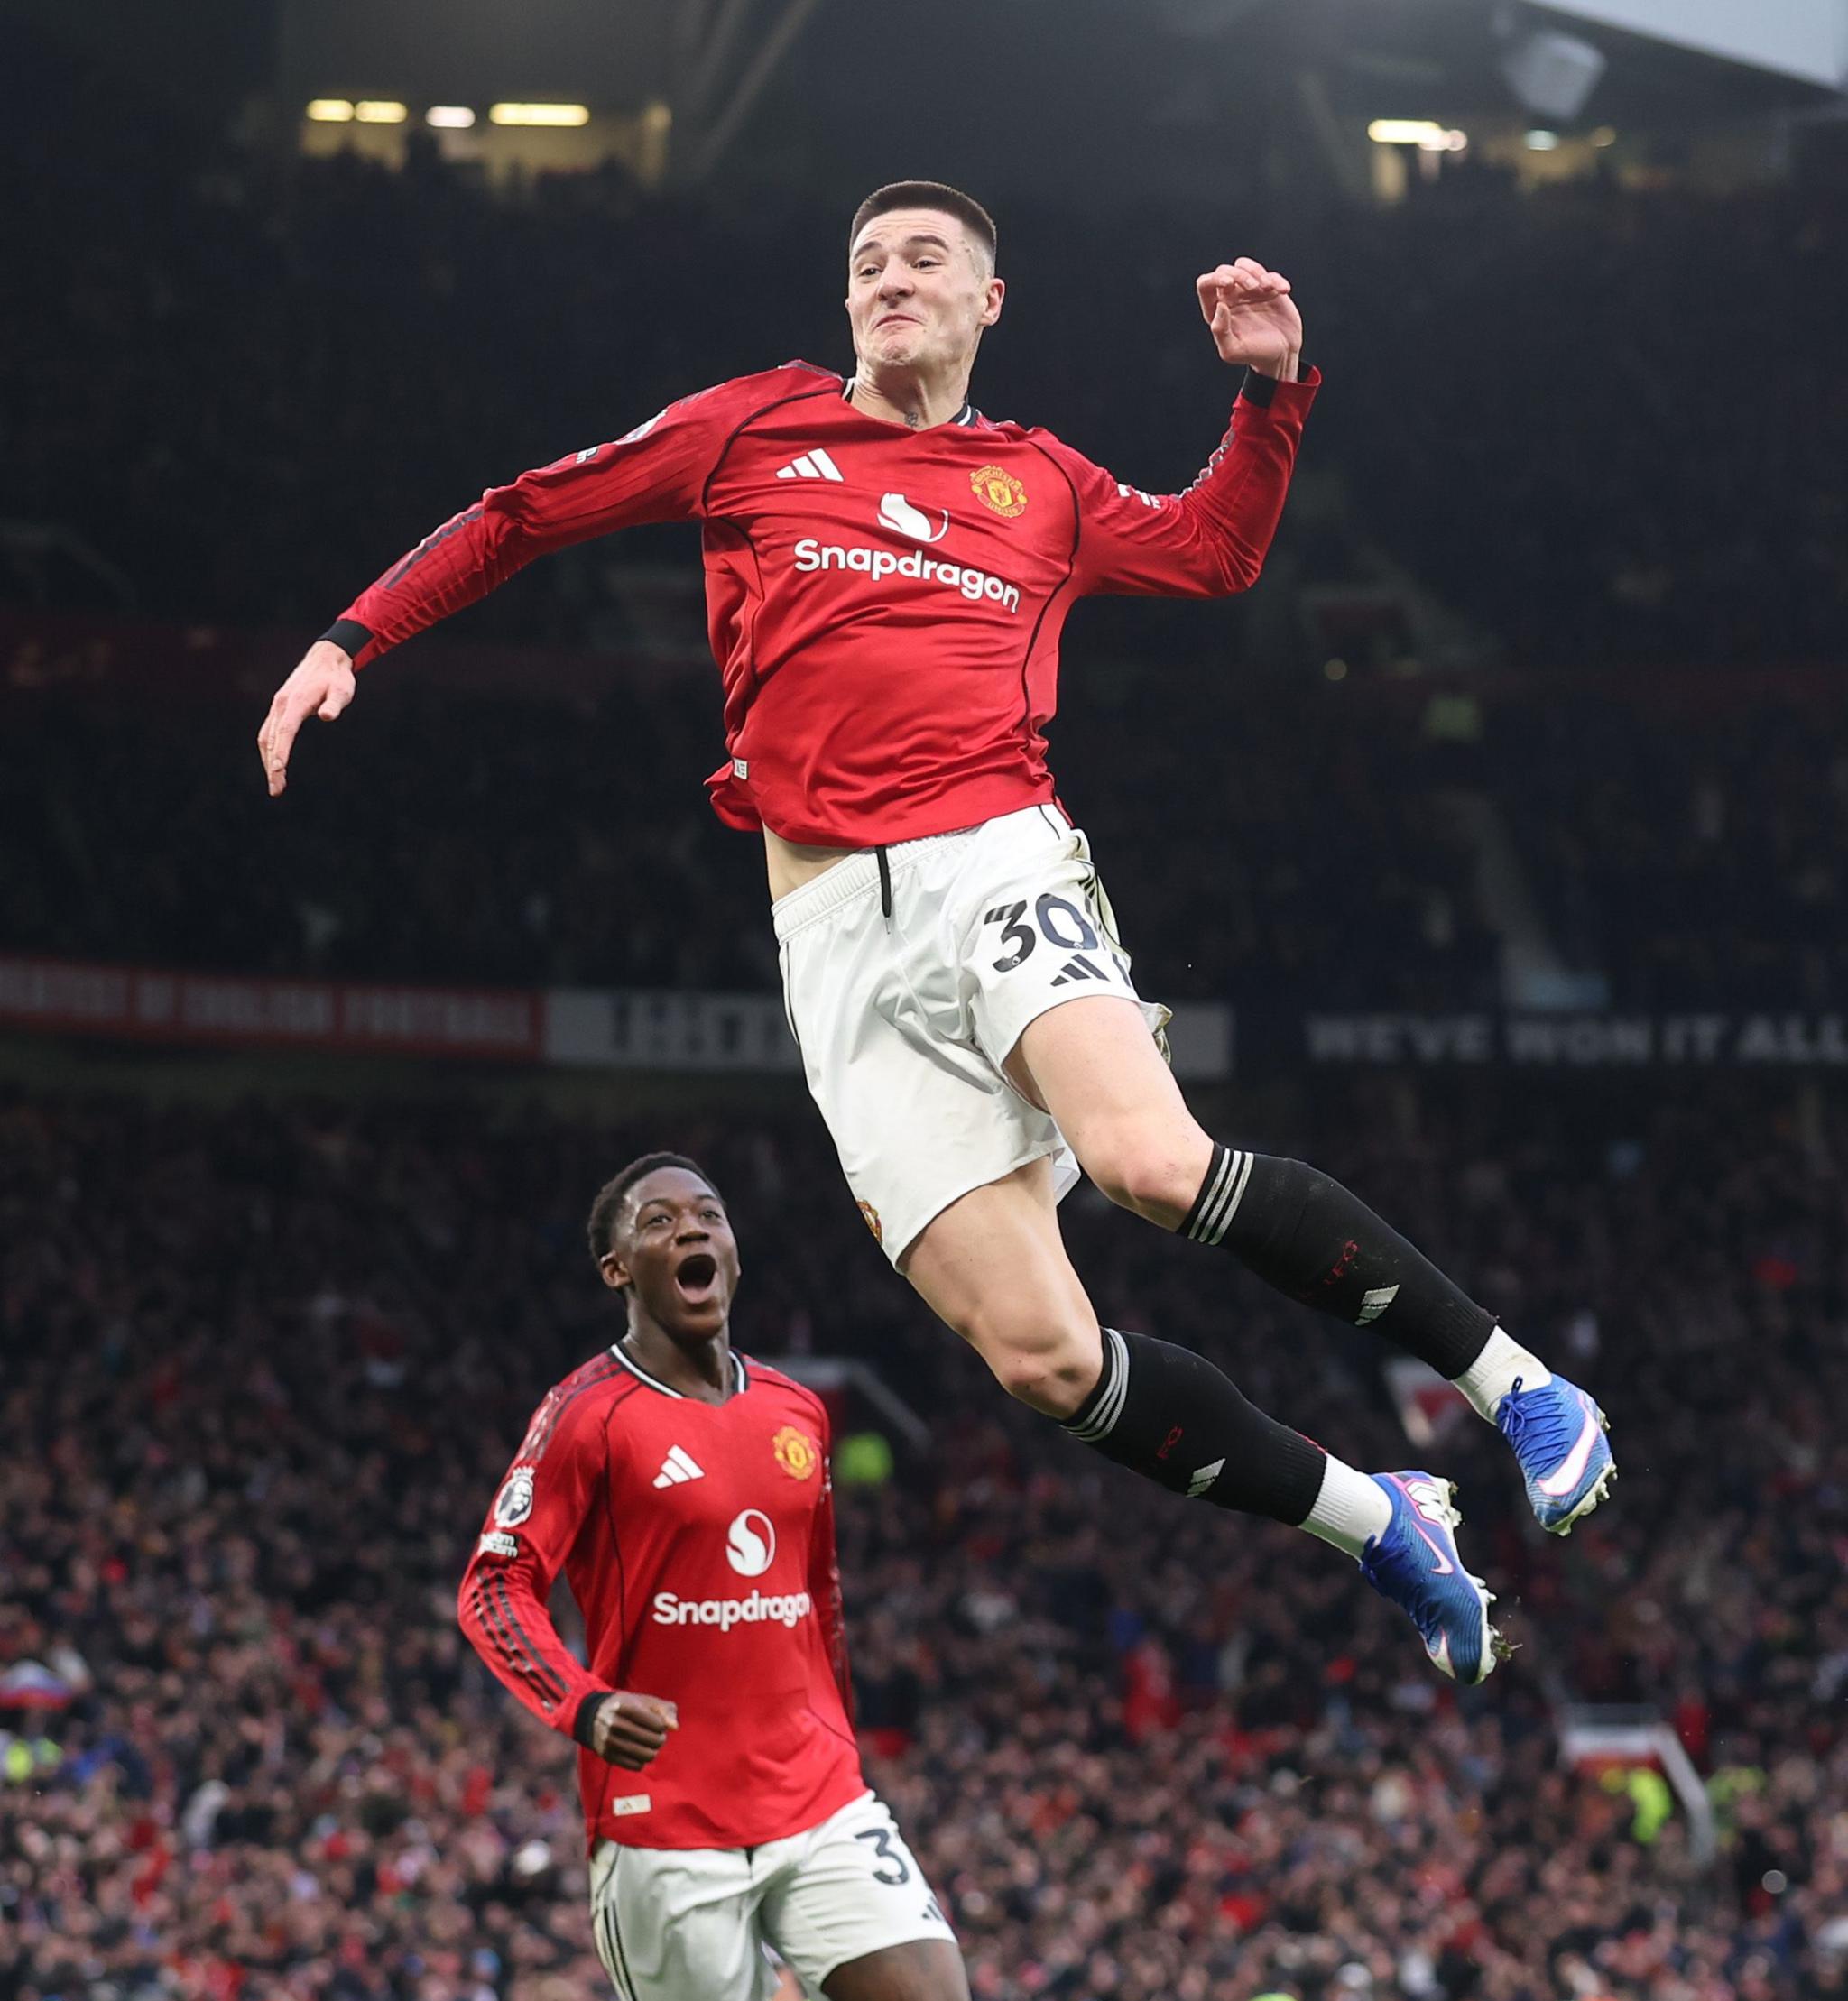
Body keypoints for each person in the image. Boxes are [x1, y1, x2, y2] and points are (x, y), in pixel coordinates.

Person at [266, 181, 1614, 1690]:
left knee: (1147, 1162)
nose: (889, 280)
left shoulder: (1035, 481)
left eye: (925, 261)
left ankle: (1523, 1389)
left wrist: (1269, 391)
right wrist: (347, 641)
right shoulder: (752, 430)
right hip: (832, 933)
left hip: (996, 856)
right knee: (1047, 1359)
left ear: (989, 303)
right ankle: (1384, 1522)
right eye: (864, 264)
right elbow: (526, 510)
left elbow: (1215, 554)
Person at [457, 1152, 977, 2001]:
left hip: (813, 1791)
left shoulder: (798, 1409)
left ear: (733, 1255)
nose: (691, 1232)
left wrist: (840, 1739)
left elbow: (821, 1603)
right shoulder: (588, 1414)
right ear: (616, 1268)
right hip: (661, 1823)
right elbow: (495, 1583)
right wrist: (579, 1702)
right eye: (657, 1221)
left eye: (709, 1217)